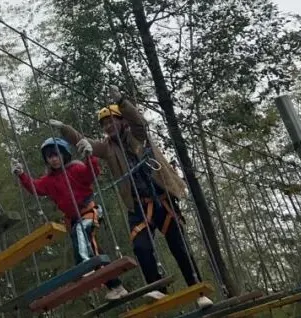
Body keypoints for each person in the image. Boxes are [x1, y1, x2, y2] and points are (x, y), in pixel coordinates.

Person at [52, 87, 213, 310]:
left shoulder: (138, 135)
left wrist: (122, 102)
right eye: (104, 124)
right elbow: (84, 141)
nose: (108, 127)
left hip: (162, 198)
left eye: (111, 121)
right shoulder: (107, 148)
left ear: (121, 121)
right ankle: (157, 287)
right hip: (138, 205)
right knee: (141, 247)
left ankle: (198, 290)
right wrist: (65, 130)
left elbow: (139, 122)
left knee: (179, 246)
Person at [12, 138, 129, 301]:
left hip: (88, 211)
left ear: (64, 155)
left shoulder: (75, 169)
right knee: (90, 247)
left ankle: (86, 266)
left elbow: (92, 173)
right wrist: (22, 175)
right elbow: (35, 187)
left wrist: (89, 156)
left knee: (81, 235)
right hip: (74, 219)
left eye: (56, 155)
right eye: (50, 156)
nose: (54, 159)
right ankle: (115, 286)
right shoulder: (49, 180)